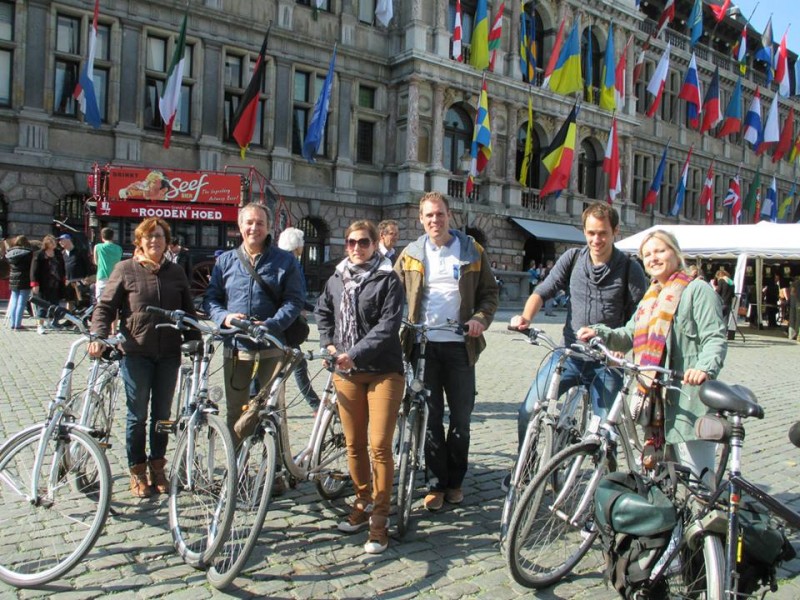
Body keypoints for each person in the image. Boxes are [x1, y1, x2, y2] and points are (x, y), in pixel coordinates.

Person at [509, 202, 647, 485]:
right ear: (584, 232)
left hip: (606, 363)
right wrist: (525, 316)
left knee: (606, 434)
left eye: (603, 233)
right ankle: (526, 470)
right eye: (591, 233)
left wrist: (624, 344)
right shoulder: (572, 258)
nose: (597, 240)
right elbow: (543, 291)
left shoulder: (629, 269)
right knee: (529, 410)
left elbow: (640, 316)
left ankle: (608, 489)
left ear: (615, 232)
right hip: (569, 355)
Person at [577, 229, 727, 482]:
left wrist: (704, 368)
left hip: (687, 398)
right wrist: (599, 333)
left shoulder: (697, 290)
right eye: (647, 254)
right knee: (664, 478)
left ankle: (709, 518)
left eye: (660, 251)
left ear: (675, 253)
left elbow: (714, 337)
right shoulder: (651, 297)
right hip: (656, 400)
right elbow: (629, 333)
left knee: (698, 478)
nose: (653, 258)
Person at [394, 191, 498, 512]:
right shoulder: (410, 254)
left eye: (439, 214)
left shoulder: (471, 250)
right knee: (429, 417)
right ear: (420, 220)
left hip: (460, 347)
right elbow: (390, 294)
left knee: (462, 419)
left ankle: (456, 481)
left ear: (449, 215)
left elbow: (489, 294)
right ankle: (436, 483)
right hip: (422, 347)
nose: (434, 221)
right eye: (428, 216)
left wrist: (480, 319)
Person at [89, 217, 199, 498]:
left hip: (169, 354)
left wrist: (195, 342)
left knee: (162, 415)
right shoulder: (125, 269)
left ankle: (158, 467)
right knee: (137, 416)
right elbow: (105, 306)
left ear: (166, 241)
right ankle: (136, 469)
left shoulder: (176, 272)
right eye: (149, 237)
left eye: (159, 237)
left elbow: (187, 312)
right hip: (136, 352)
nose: (154, 241)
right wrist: (99, 335)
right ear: (139, 241)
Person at [315, 219, 404, 554]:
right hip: (346, 372)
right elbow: (323, 313)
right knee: (353, 445)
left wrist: (354, 353)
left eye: (363, 242)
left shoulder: (388, 278)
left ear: (374, 243)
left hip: (383, 371)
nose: (356, 248)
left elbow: (388, 325)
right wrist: (329, 346)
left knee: (379, 443)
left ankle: (380, 518)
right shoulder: (336, 278)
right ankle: (362, 500)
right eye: (351, 242)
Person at [203, 203, 305, 441]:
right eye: (249, 222)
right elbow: (211, 299)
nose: (254, 228)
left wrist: (272, 324)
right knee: (235, 410)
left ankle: (276, 470)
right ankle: (237, 467)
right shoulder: (225, 261)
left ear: (269, 228)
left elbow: (294, 300)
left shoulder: (285, 261)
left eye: (260, 223)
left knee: (271, 409)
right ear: (240, 226)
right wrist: (224, 318)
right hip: (236, 346)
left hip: (272, 344)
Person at [277, 226, 320, 411]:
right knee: (296, 365)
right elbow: (297, 297)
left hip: (282, 322)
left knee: (289, 365)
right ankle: (315, 404)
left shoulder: (279, 261)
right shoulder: (291, 264)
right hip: (286, 324)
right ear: (297, 247)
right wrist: (317, 310)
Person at [31, 234, 66, 335]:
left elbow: (62, 268)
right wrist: (34, 284)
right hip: (43, 284)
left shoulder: (58, 253)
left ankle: (51, 322)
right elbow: (34, 271)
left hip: (56, 283)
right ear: (47, 243)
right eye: (52, 242)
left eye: (55, 242)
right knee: (42, 305)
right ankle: (40, 325)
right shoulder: (39, 254)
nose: (55, 244)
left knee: (54, 304)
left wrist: (64, 279)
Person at [5, 235, 33, 330]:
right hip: (25, 279)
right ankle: (18, 325)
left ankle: (13, 324)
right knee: (21, 303)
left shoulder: (9, 253)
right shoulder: (29, 253)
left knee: (14, 302)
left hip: (13, 279)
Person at [59, 233, 92, 310]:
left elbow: (87, 264)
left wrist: (87, 277)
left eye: (61, 240)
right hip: (68, 281)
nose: (60, 242)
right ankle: (69, 319)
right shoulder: (62, 254)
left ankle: (83, 319)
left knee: (81, 301)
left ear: (68, 240)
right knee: (68, 300)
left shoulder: (80, 252)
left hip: (79, 281)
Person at [93, 227, 123, 301]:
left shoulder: (98, 247)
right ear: (113, 237)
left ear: (102, 236)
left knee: (100, 302)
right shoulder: (119, 248)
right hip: (115, 277)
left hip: (102, 276)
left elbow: (96, 262)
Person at [788, 275, 800, 341]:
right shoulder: (796, 284)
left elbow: (792, 292)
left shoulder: (794, 284)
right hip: (797, 302)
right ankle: (797, 334)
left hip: (795, 302)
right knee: (798, 319)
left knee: (795, 318)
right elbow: (792, 292)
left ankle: (794, 334)